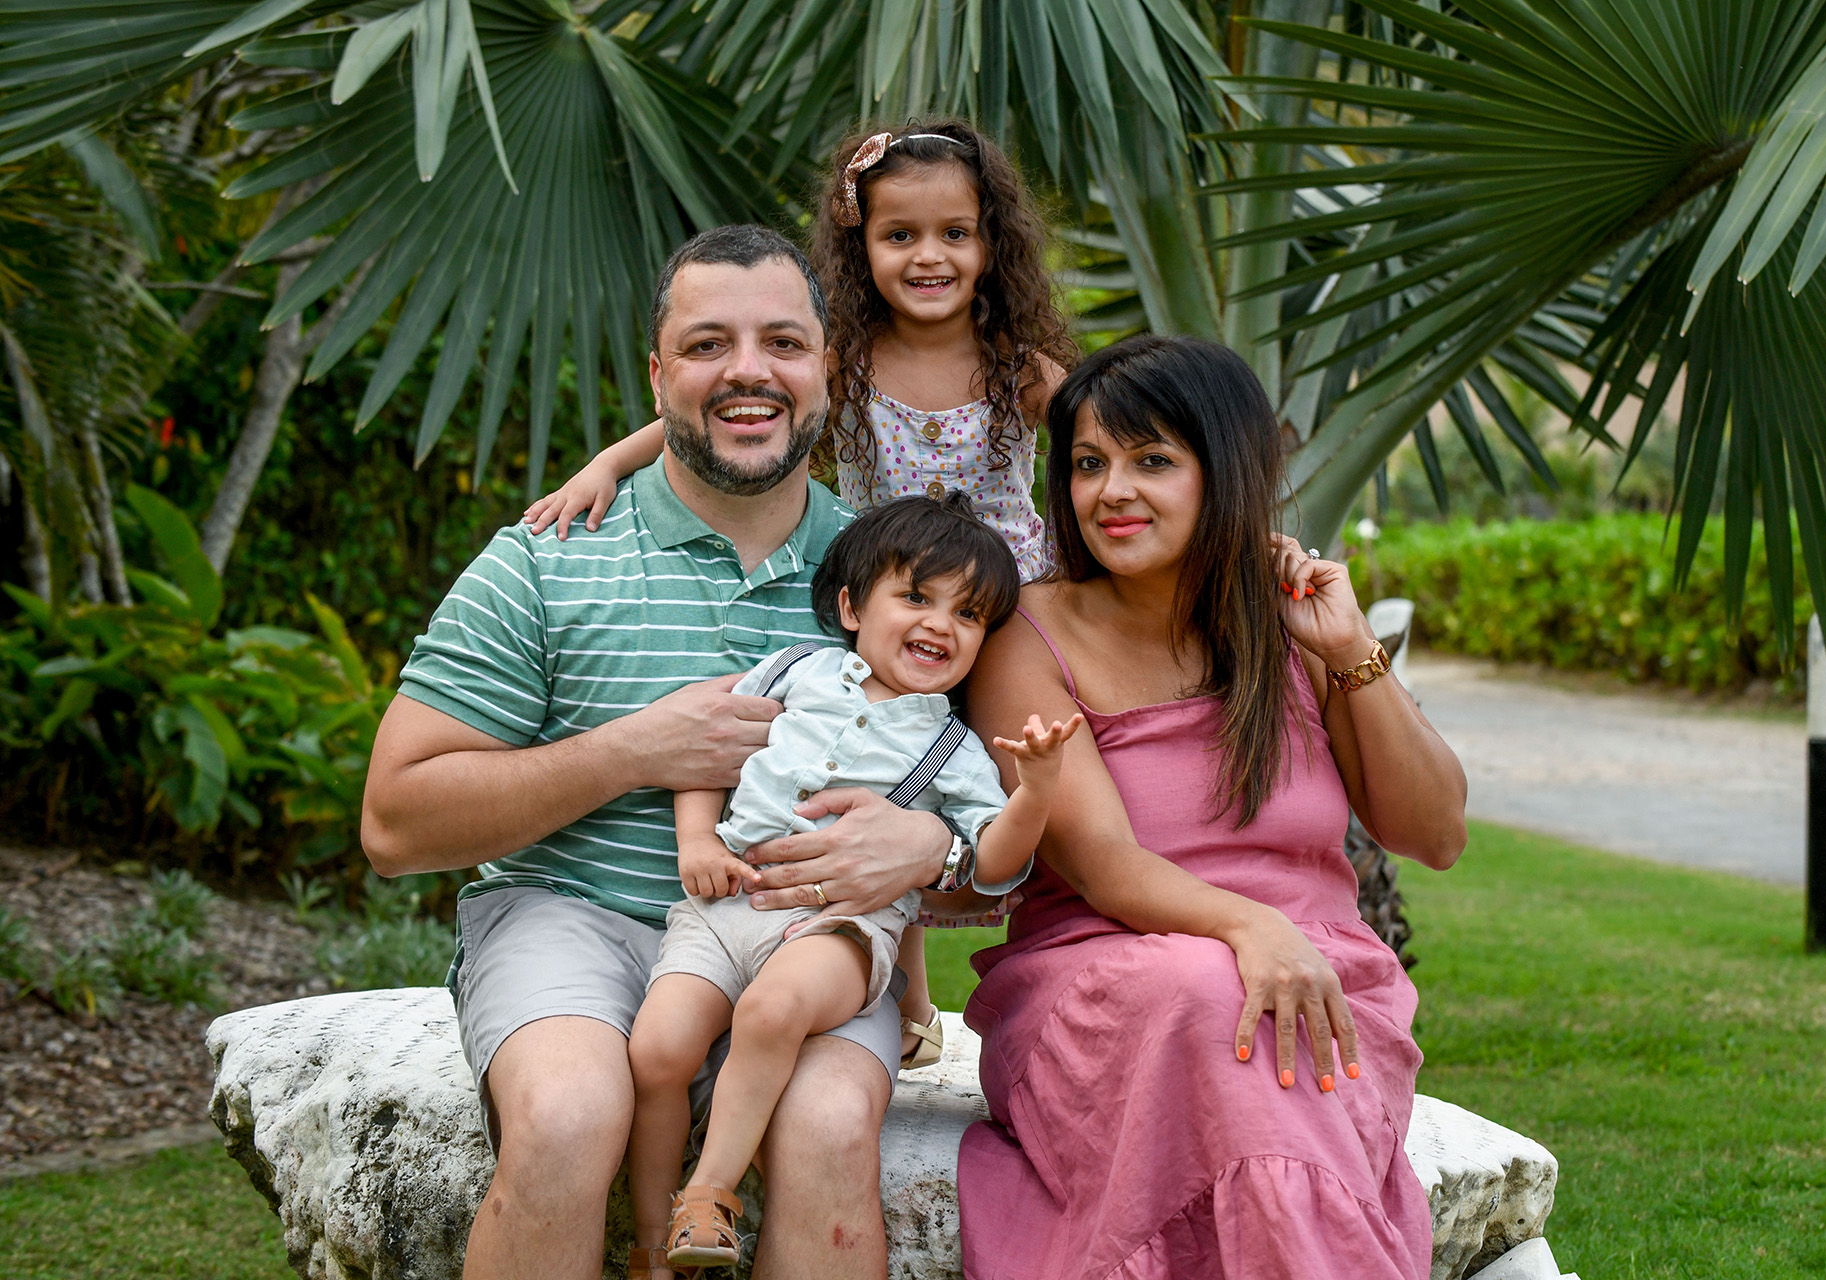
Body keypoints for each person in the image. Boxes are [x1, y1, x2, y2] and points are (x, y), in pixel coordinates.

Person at [359, 224, 968, 1280]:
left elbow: (1001, 807)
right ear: (657, 375)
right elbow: (393, 825)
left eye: (783, 342)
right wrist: (634, 750)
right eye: (706, 344)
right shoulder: (547, 555)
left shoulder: (906, 583)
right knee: (567, 1111)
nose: (748, 371)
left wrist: (929, 846)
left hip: (804, 937)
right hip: (573, 921)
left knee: (829, 1127)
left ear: (827, 368)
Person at [522, 118, 1078, 1070]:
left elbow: (1106, 430)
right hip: (890, 600)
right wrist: (606, 466)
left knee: (990, 790)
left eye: (955, 233)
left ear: (992, 242)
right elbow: (708, 415)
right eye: (900, 235)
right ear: (862, 247)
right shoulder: (844, 363)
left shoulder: (1016, 365)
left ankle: (1045, 966)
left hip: (999, 604)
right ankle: (907, 993)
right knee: (879, 774)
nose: (930, 256)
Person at [957, 334, 1470, 1279]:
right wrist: (1251, 928)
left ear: (1225, 470)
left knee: (1246, 1024)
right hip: (1106, 989)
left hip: (1321, 987)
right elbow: (1102, 863)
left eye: (1152, 461)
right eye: (1087, 464)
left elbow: (1434, 833)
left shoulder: (1291, 628)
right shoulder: (1026, 634)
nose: (1112, 492)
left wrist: (1349, 650)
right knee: (1207, 992)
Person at [628, 494, 1083, 1277]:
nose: (940, 624)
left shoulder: (951, 747)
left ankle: (708, 1196)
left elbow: (993, 864)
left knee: (772, 1011)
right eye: (916, 597)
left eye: (968, 613)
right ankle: (651, 1248)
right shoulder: (796, 671)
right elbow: (704, 750)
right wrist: (697, 838)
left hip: (839, 927)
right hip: (724, 909)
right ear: (850, 607)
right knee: (657, 1050)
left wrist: (1035, 793)